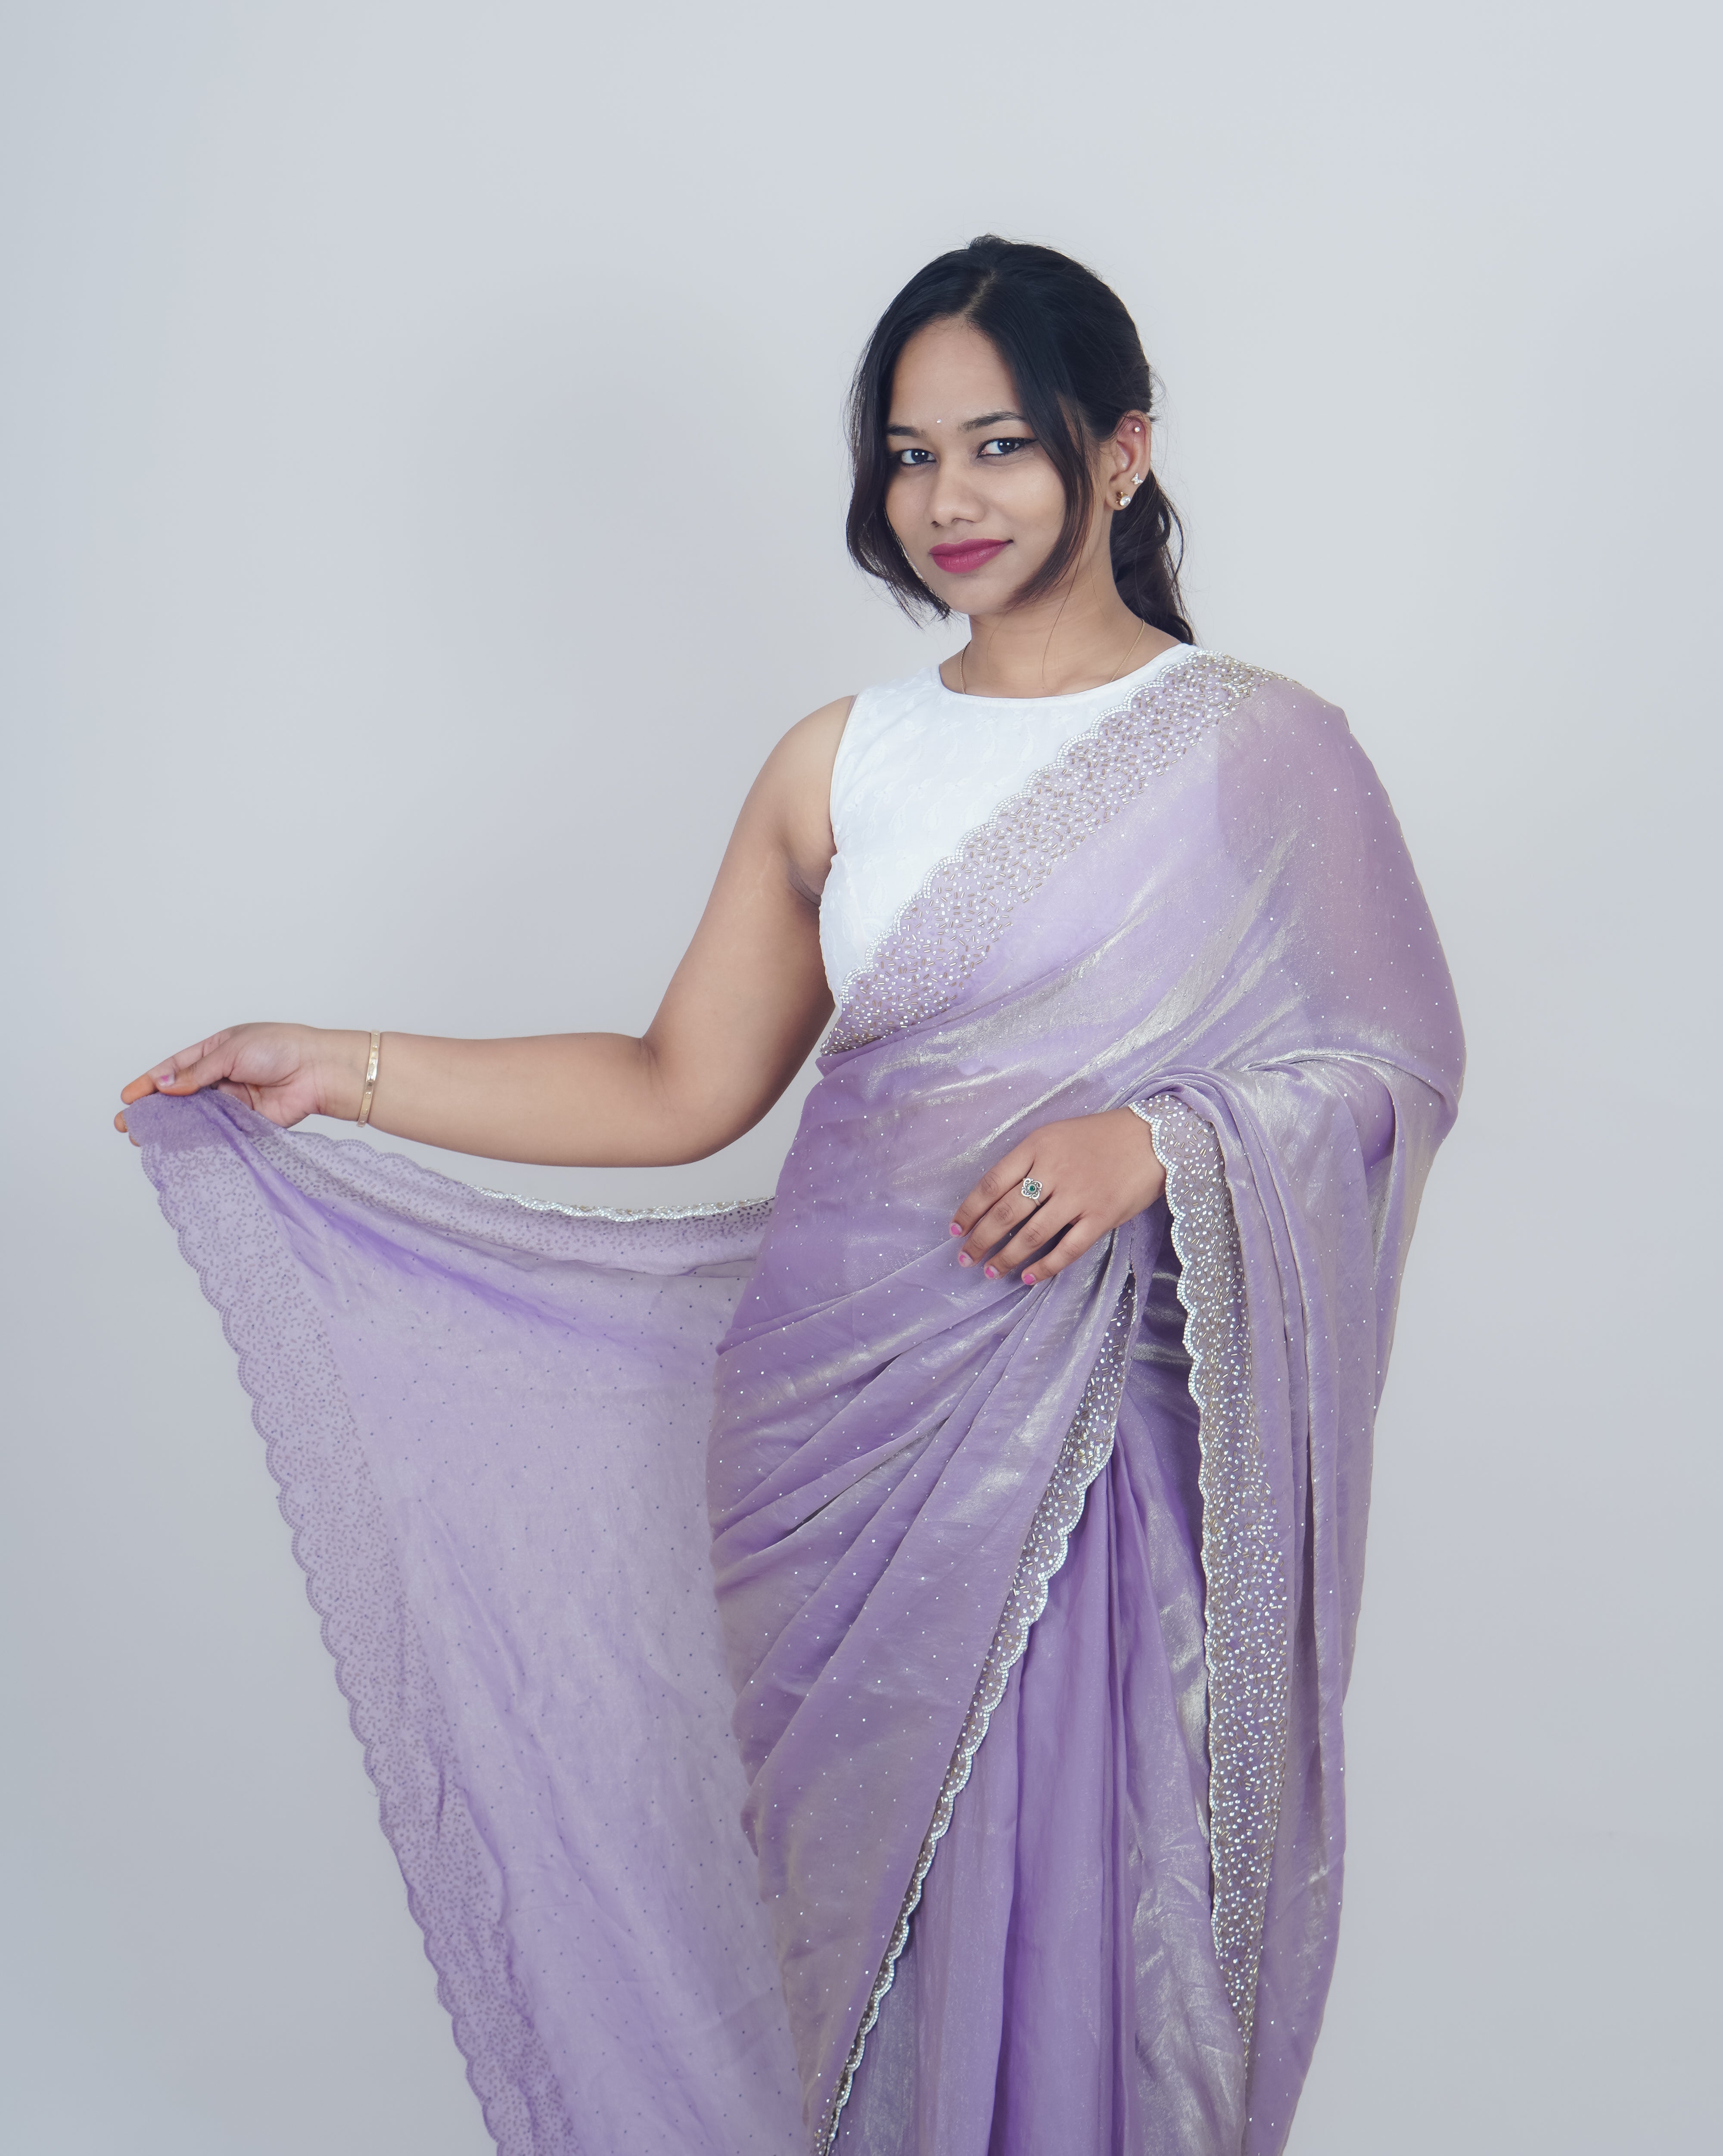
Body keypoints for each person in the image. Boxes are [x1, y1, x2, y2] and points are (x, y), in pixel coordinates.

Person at [118, 237, 1462, 2156]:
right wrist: (345, 1068)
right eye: (909, 457)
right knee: (870, 1974)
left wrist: (1153, 1145)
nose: (948, 502)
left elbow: (1390, 1067)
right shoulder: (843, 759)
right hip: (833, 1448)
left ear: (1120, 450)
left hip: (1101, 1455)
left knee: (1098, 1933)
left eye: (1000, 444)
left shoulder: (1259, 753)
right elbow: (683, 1087)